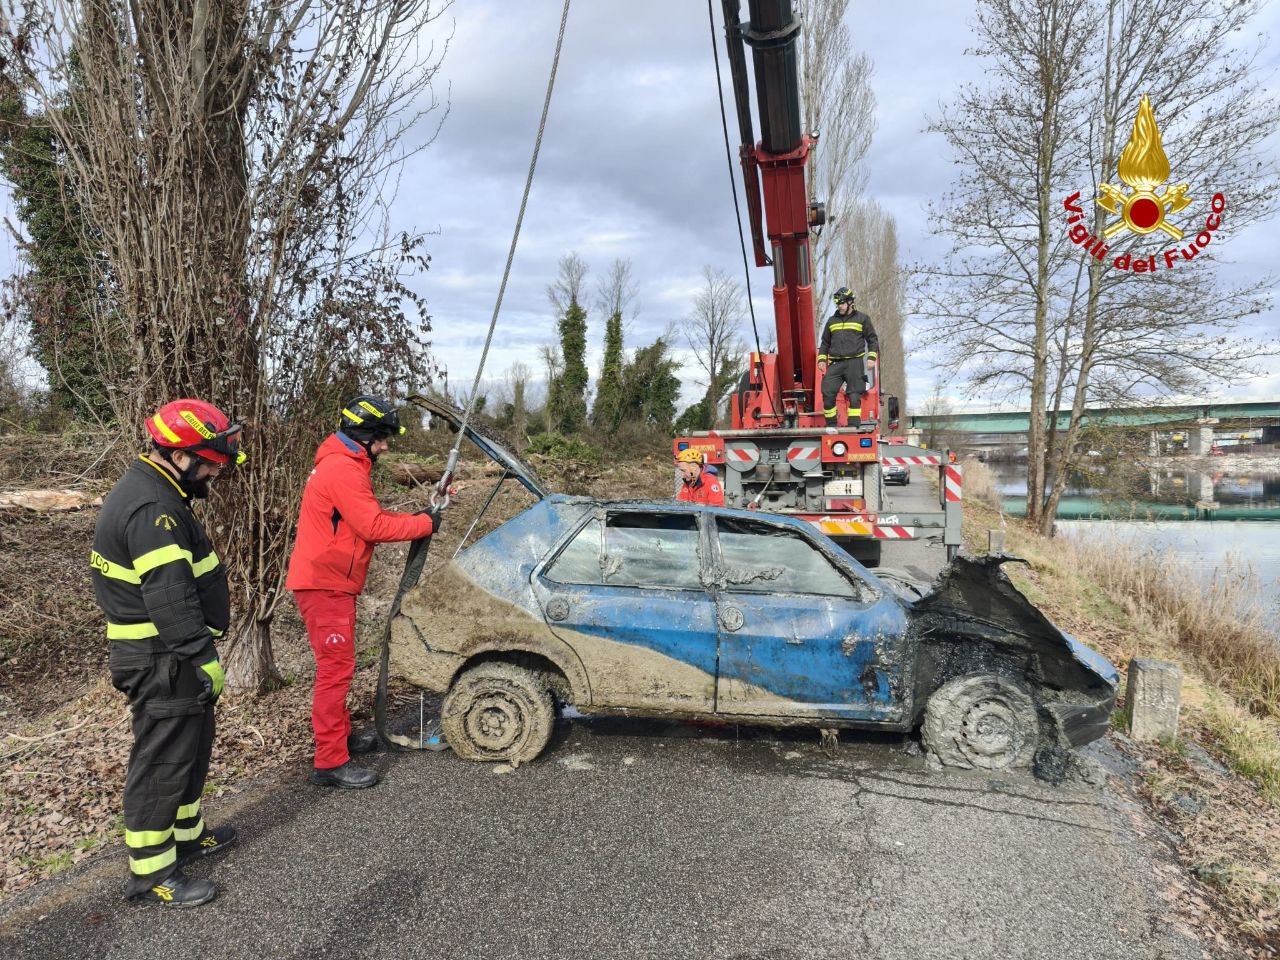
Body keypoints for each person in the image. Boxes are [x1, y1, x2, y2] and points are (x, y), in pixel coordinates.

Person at [91, 399, 246, 908]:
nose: (213, 473)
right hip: (162, 656)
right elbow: (170, 597)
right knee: (163, 761)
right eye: (208, 463)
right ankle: (152, 874)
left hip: (170, 653)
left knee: (191, 749)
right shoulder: (153, 508)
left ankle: (186, 835)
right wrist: (201, 653)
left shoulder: (160, 490)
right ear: (179, 456)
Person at [286, 395, 439, 789]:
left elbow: (368, 519)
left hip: (330, 581)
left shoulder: (343, 463)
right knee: (335, 671)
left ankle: (339, 740)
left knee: (339, 667)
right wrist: (425, 524)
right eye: (383, 437)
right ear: (365, 434)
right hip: (325, 584)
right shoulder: (342, 468)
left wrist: (421, 518)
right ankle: (329, 762)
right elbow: (373, 527)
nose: (386, 446)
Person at [818, 286, 879, 426]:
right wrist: (821, 359)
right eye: (838, 303)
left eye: (842, 303)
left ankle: (853, 426)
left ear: (851, 302)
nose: (840, 306)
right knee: (827, 392)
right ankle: (831, 425)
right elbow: (825, 342)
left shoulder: (862, 319)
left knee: (854, 395)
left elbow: (872, 340)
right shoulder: (831, 321)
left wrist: (871, 357)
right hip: (835, 363)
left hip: (854, 362)